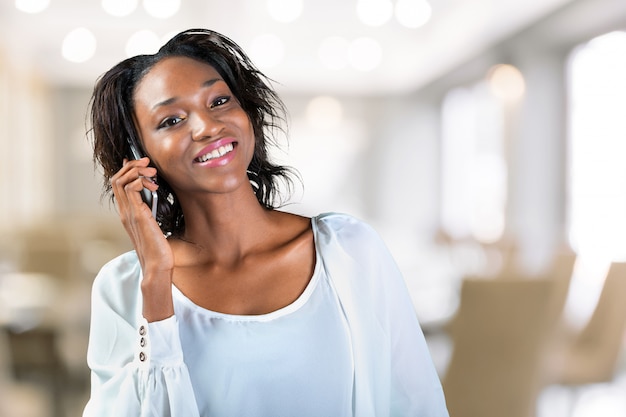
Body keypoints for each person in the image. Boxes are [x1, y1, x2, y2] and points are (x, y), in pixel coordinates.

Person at [83, 28, 449, 417]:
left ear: (248, 114)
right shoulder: (124, 288)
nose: (207, 127)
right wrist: (156, 282)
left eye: (220, 101)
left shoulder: (348, 250)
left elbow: (415, 404)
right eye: (171, 120)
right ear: (138, 155)